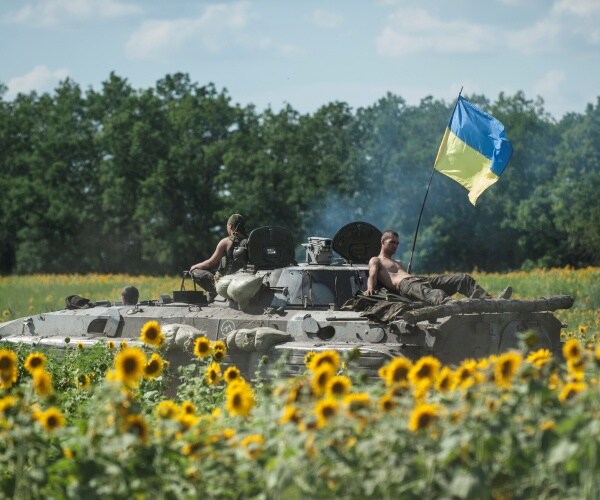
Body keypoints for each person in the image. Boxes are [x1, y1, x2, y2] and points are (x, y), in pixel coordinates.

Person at [365, 230, 512, 306]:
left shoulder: (398, 261)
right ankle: (454, 305)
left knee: (462, 279)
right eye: (392, 242)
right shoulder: (376, 260)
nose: (395, 246)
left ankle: (491, 302)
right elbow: (372, 274)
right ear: (382, 241)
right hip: (405, 285)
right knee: (435, 293)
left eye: (397, 243)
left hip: (418, 281)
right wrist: (369, 288)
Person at [189, 213, 249, 302]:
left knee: (195, 272)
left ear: (231, 226)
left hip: (224, 282)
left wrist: (194, 267)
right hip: (241, 281)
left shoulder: (226, 242)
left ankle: (215, 292)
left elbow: (210, 263)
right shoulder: (249, 241)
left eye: (227, 226)